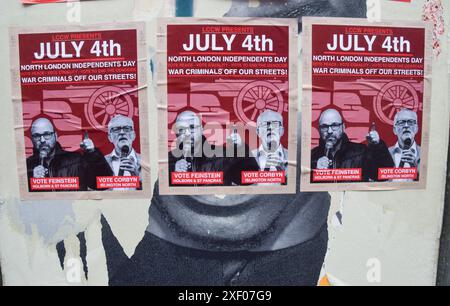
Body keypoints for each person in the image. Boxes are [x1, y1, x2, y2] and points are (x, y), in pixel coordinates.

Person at [168, 110, 259, 186]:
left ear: (201, 129)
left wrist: (241, 149)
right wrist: (173, 172)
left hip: (218, 207)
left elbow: (248, 179)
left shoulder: (223, 154)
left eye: (192, 127)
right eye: (181, 129)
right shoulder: (168, 160)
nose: (187, 133)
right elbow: (159, 194)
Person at [26, 117, 112, 191]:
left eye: (47, 134)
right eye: (36, 136)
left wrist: (93, 154)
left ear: (55, 136)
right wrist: (31, 180)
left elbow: (103, 183)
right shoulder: (27, 166)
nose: (42, 140)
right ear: (32, 139)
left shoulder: (76, 160)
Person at [311, 109, 394, 182]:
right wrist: (315, 170)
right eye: (324, 127)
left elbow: (383, 175)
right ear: (319, 129)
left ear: (343, 127)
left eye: (334, 125)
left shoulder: (361, 152)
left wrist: (377, 146)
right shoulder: (312, 156)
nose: (329, 131)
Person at [104, 115, 142, 189]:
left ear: (133, 135)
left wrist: (137, 178)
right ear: (110, 137)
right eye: (116, 129)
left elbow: (154, 191)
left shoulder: (146, 161)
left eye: (127, 128)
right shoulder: (102, 163)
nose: (122, 132)